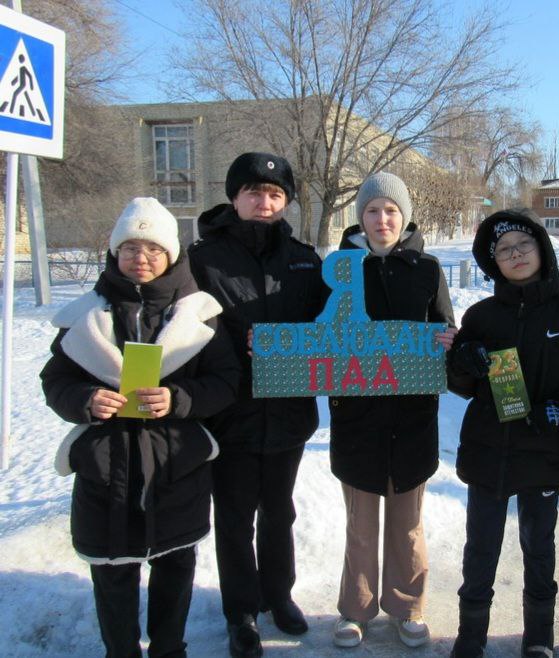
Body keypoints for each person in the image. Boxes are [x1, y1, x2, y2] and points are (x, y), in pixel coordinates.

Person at [41, 197, 241, 658]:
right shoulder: (86, 317)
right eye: (130, 248)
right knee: (112, 571)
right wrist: (86, 399)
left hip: (176, 464)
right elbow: (56, 381)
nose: (141, 258)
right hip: (106, 466)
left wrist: (178, 398)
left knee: (174, 567)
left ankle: (169, 649)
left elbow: (226, 381)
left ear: (171, 254)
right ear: (115, 253)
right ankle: (121, 651)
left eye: (153, 249)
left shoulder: (198, 316)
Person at [446, 208, 559, 658]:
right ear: (494, 262)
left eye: (523, 244)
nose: (516, 254)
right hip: (488, 452)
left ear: (542, 249)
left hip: (544, 452)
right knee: (480, 548)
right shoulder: (481, 316)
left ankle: (539, 636)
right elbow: (462, 384)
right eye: (504, 250)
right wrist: (463, 361)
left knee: (539, 546)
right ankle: (470, 636)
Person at [188, 153, 328, 658]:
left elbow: (326, 324)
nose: (264, 202)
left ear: (285, 201)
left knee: (280, 511)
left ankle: (279, 595)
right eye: (254, 192)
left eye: (274, 194)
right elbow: (190, 327)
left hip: (289, 410)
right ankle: (241, 612)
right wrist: (238, 343)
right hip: (230, 412)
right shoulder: (203, 260)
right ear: (234, 197)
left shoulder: (305, 260)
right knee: (234, 516)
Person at [328, 171, 456, 649]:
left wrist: (448, 340)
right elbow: (316, 334)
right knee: (360, 526)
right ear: (359, 216)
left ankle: (406, 605)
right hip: (356, 419)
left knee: (407, 527)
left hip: (412, 421)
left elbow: (444, 326)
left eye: (391, 210)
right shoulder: (339, 270)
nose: (382, 219)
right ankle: (356, 609)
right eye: (372, 210)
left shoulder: (427, 269)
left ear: (405, 217)